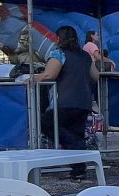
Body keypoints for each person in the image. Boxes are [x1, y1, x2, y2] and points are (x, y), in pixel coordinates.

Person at [35, 26, 99, 177]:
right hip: (84, 101)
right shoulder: (85, 55)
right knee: (76, 131)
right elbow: (95, 76)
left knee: (46, 123)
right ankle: (79, 170)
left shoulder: (59, 53)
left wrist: (32, 78)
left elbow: (49, 75)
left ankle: (75, 149)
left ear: (58, 39)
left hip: (65, 100)